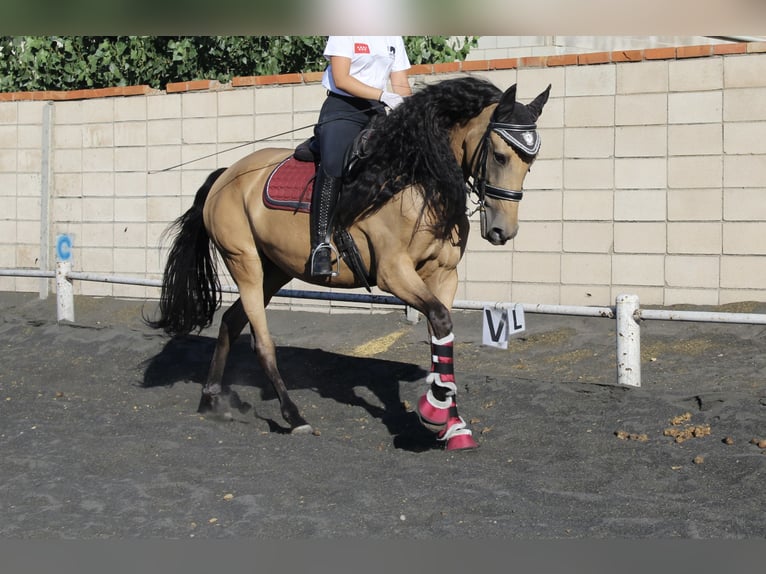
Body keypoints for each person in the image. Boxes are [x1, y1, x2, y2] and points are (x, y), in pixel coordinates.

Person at [308, 36, 412, 277]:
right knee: (333, 163)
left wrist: (410, 108)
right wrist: (382, 95)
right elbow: (341, 78)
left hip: (377, 112)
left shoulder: (393, 36)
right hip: (343, 109)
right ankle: (320, 246)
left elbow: (400, 82)